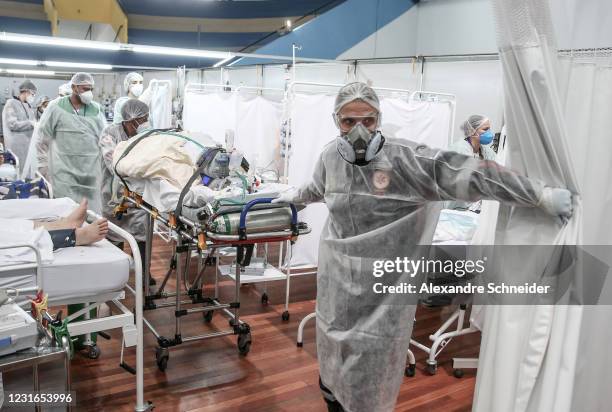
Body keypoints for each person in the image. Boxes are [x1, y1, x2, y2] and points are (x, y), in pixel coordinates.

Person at [272, 82, 573, 412]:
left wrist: (537, 195)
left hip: (384, 292)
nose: (358, 131)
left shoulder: (406, 160)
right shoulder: (331, 155)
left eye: (368, 121)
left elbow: (473, 174)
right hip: (336, 284)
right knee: (331, 364)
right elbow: (318, 186)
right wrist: (296, 196)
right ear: (336, 120)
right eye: (348, 122)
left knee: (370, 378)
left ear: (379, 119)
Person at [99, 98, 154, 285]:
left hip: (140, 197)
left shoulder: (146, 135)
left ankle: (144, 273)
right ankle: (116, 276)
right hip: (115, 196)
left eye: (147, 118)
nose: (146, 122)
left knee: (142, 236)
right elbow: (113, 163)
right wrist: (141, 165)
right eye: (143, 119)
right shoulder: (109, 134)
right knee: (115, 235)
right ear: (131, 121)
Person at [37, 72, 107, 213]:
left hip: (90, 170)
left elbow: (104, 137)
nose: (89, 93)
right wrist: (43, 165)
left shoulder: (96, 109)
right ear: (74, 87)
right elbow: (42, 139)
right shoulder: (56, 107)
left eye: (91, 89)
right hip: (64, 171)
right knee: (66, 210)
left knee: (91, 211)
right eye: (85, 89)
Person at [447, 115, 497, 212]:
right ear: (473, 131)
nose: (489, 133)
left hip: (473, 206)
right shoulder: (459, 149)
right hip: (457, 206)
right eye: (485, 129)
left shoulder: (485, 150)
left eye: (489, 129)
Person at [1, 80, 37, 172]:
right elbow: (12, 124)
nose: (33, 96)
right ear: (25, 91)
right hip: (16, 146)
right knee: (17, 171)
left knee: (27, 172)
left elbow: (33, 123)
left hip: (28, 146)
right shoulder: (11, 103)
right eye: (32, 94)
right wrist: (31, 123)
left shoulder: (28, 106)